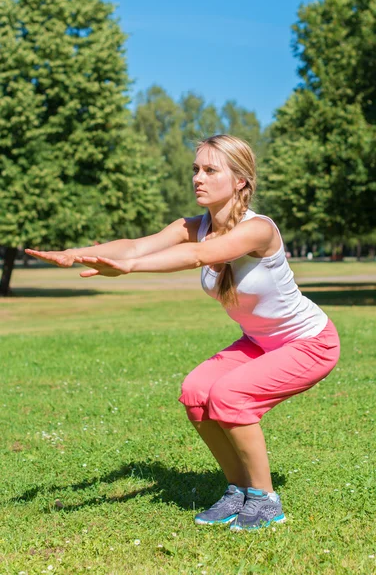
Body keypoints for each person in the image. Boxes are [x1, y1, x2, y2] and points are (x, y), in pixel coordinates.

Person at [26, 134, 340, 531]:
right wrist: (76, 254)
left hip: (309, 343)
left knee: (231, 395)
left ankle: (265, 500)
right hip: (260, 343)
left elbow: (199, 256)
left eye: (210, 170)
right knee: (195, 392)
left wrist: (129, 269)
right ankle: (237, 490)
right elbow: (137, 246)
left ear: (240, 180)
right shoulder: (195, 226)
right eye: (196, 169)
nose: (198, 178)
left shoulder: (258, 230)